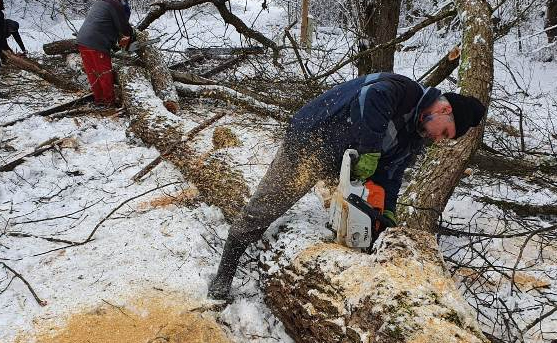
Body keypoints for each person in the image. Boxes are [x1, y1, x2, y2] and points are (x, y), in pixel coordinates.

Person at [207, 72, 487, 301]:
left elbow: (391, 176)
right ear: (444, 109)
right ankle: (224, 273)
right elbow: (371, 97)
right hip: (311, 143)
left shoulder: (413, 139)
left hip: (342, 162)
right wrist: (370, 150)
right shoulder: (405, 91)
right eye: (446, 132)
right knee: (266, 208)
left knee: (352, 222)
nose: (440, 139)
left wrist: (386, 215)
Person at [75, 0, 134, 106]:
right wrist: (131, 37)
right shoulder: (115, 3)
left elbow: (105, 24)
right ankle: (108, 102)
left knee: (93, 73)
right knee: (105, 73)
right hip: (96, 42)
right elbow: (124, 27)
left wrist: (114, 43)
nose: (125, 0)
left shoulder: (103, 0)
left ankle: (99, 99)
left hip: (83, 40)